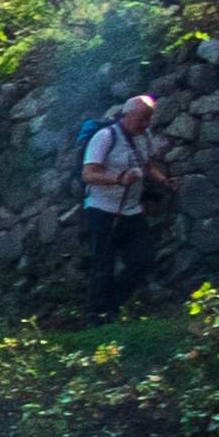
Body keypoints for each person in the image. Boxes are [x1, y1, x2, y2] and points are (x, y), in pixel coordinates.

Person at [79, 91, 170, 311]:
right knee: (103, 267)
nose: (146, 124)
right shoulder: (105, 137)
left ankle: (111, 306)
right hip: (101, 211)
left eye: (149, 119)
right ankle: (98, 320)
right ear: (127, 115)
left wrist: (165, 180)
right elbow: (88, 174)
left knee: (144, 260)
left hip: (131, 211)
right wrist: (118, 179)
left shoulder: (144, 136)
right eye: (142, 119)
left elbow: (147, 166)